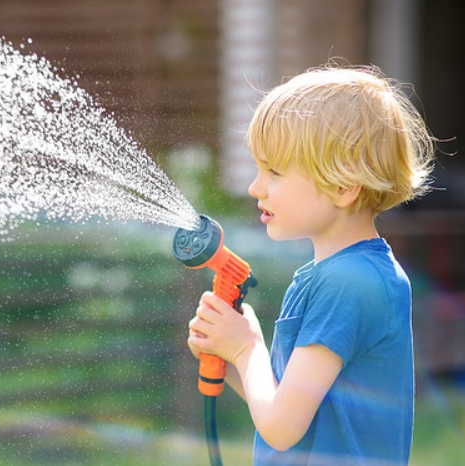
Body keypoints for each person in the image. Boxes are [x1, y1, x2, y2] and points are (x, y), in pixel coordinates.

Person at [187, 65, 436, 466]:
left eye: (274, 171)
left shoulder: (349, 283)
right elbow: (288, 400)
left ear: (342, 186)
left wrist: (246, 346)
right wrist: (229, 356)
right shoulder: (333, 275)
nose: (255, 187)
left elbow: (282, 428)